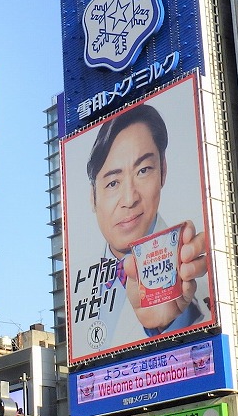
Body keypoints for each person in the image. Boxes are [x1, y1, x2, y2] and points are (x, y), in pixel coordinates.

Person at [80, 102, 211, 351]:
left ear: (163, 170)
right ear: (93, 197)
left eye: (143, 170)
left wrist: (167, 325)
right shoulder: (81, 289)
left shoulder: (194, 273)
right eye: (112, 183)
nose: (129, 199)